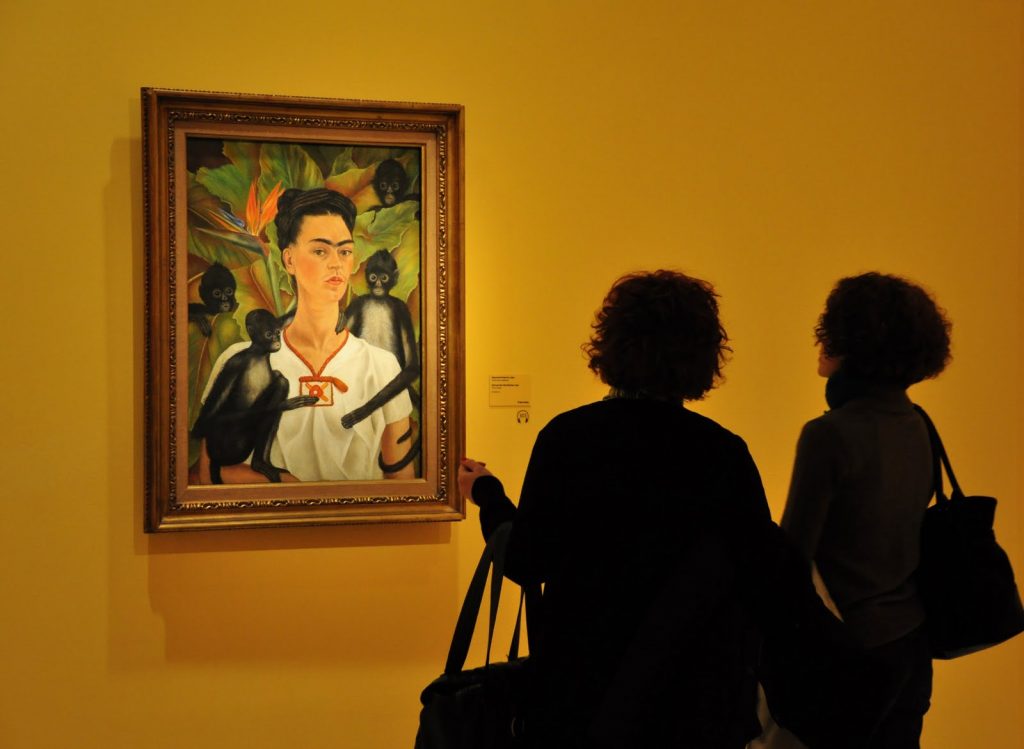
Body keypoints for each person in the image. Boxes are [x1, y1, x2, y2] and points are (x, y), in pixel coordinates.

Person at [459, 270, 844, 749]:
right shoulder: (722, 453)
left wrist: (489, 495)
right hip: (693, 700)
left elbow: (526, 560)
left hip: (584, 694)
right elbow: (759, 575)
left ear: (611, 344)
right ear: (703, 354)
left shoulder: (569, 438)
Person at [777, 272, 952, 747]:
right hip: (911, 645)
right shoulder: (917, 424)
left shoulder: (829, 435)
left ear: (848, 342)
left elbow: (790, 561)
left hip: (850, 651)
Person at [197, 187, 415, 482]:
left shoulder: (382, 367)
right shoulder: (240, 359)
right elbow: (209, 473)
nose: (336, 263)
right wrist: (284, 486)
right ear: (289, 260)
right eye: (320, 251)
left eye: (344, 251)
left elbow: (402, 484)